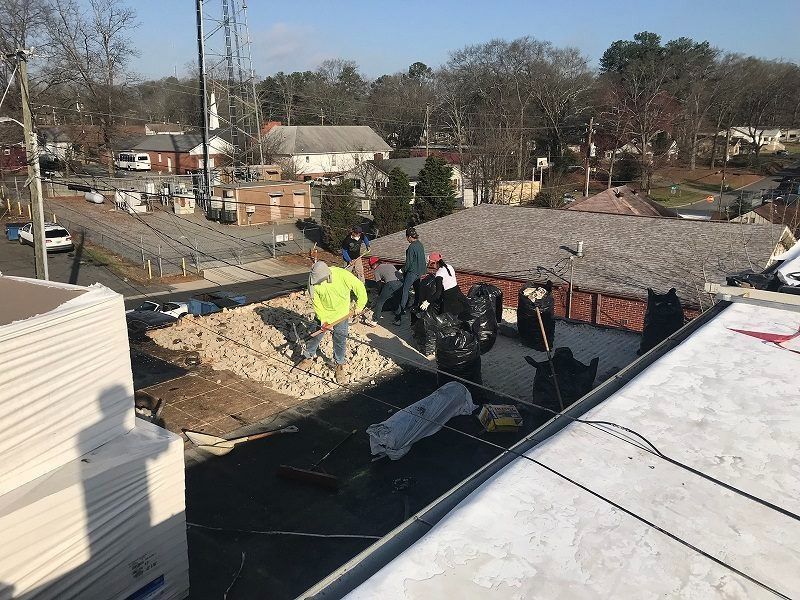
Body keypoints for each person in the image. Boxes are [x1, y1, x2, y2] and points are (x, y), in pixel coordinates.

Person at [296, 261, 367, 383]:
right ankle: (308, 357)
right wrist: (323, 320)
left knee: (340, 338)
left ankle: (339, 365)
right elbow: (316, 303)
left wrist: (359, 306)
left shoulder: (342, 275)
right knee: (316, 336)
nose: (316, 282)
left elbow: (359, 287)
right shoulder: (312, 282)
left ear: (327, 275)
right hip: (323, 314)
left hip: (342, 314)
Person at [394, 227, 426, 325]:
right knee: (417, 292)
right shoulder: (420, 245)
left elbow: (408, 263)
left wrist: (402, 271)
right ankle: (415, 310)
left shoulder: (411, 247)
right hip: (419, 272)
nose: (407, 239)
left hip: (412, 272)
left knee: (404, 292)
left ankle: (398, 318)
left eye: (407, 237)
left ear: (409, 237)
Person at [428, 252, 470, 317]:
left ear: (436, 262)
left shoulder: (439, 274)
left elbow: (438, 293)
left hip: (449, 298)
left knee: (446, 320)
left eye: (431, 264)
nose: (432, 266)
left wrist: (428, 301)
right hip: (458, 293)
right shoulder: (449, 267)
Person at [369, 256, 402, 321]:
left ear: (374, 264)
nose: (372, 268)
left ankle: (374, 320)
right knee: (396, 302)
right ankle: (398, 320)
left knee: (380, 301)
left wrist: (380, 293)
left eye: (371, 266)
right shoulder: (389, 265)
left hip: (391, 284)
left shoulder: (377, 270)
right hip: (400, 283)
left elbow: (379, 283)